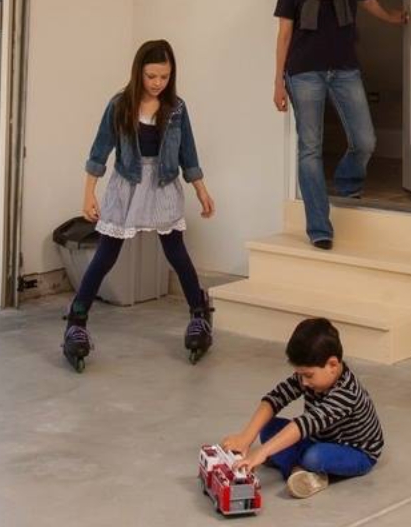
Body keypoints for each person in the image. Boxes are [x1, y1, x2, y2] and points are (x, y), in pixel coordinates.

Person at [61, 39, 217, 372]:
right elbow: (99, 151)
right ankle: (76, 320)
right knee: (106, 254)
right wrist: (88, 194)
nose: (158, 83)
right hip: (128, 185)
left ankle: (200, 314)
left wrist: (202, 191)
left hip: (162, 185)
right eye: (151, 76)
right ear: (138, 73)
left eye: (164, 76)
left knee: (176, 252)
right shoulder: (120, 105)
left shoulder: (177, 108)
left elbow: (188, 154)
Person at [273, 0, 408, 249]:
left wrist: (393, 17)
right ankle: (319, 227)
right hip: (304, 72)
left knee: (365, 140)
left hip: (345, 69)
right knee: (310, 149)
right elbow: (284, 34)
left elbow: (368, 2)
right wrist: (278, 82)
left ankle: (348, 182)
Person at [219, 317, 384, 499]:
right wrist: (246, 437)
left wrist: (262, 452)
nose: (303, 382)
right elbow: (275, 398)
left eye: (308, 375)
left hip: (356, 452)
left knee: (314, 457)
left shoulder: (347, 393)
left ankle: (300, 467)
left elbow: (304, 424)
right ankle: (300, 471)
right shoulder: (310, 377)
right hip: (316, 437)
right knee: (268, 428)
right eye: (300, 375)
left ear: (332, 365)